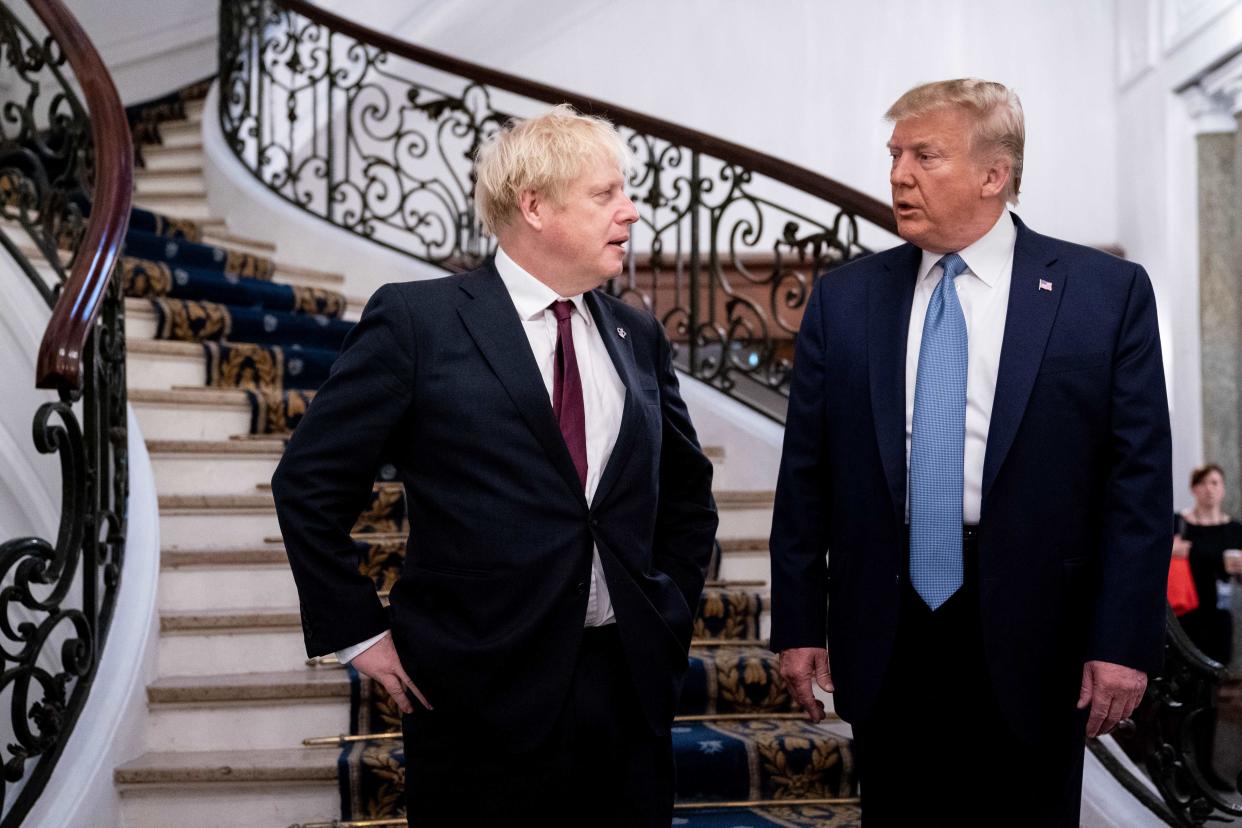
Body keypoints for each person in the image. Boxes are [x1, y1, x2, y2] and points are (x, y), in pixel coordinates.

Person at [271, 104, 718, 827]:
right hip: (477, 689)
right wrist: (357, 629)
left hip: (626, 684)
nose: (631, 213)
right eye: (606, 195)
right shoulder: (419, 321)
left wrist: (665, 613)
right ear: (534, 205)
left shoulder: (637, 331)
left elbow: (688, 500)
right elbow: (309, 483)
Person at [769, 78, 1172, 826]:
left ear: (995, 175)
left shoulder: (1103, 294)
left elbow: (1138, 486)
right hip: (888, 627)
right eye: (894, 155)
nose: (898, 174)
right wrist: (796, 624)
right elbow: (807, 479)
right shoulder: (845, 300)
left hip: (1039, 635)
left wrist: (1122, 640)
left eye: (925, 155)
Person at [1173, 463, 1242, 664]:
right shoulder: (1179, 523)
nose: (1209, 488)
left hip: (1219, 613)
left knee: (1216, 673)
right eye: (1202, 483)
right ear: (1194, 489)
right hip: (1185, 611)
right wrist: (1172, 552)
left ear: (1223, 488)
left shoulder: (1234, 529)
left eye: (1215, 482)